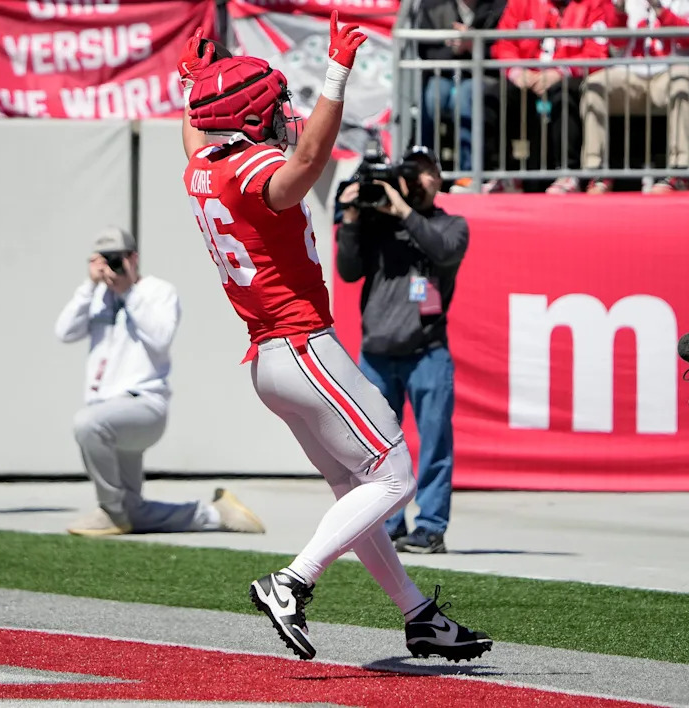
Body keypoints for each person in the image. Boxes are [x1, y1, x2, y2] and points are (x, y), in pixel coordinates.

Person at [178, 15, 493, 662]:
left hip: (268, 360)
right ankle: (291, 581)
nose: (281, 117)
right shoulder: (254, 170)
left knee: (358, 491)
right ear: (249, 118)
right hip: (301, 345)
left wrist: (193, 81)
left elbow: (199, 132)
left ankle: (417, 615)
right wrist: (336, 73)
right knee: (395, 473)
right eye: (272, 108)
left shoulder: (201, 167)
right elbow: (305, 161)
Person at [54, 226, 265, 537]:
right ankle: (213, 513)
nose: (112, 267)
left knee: (86, 424)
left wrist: (129, 292)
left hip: (143, 406)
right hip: (107, 410)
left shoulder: (157, 291)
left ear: (133, 258)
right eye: (103, 259)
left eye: (117, 259)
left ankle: (110, 511)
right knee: (134, 512)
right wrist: (89, 285)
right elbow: (64, 332)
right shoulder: (97, 294)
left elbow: (160, 338)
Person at [334, 147, 467, 554]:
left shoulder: (451, 224)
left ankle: (429, 526)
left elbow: (444, 252)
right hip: (376, 354)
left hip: (427, 351)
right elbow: (348, 271)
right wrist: (354, 217)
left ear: (439, 180)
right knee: (375, 446)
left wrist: (403, 210)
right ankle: (387, 523)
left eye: (426, 172)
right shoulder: (376, 223)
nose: (419, 178)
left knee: (434, 443)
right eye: (413, 172)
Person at [580, 0, 689, 193]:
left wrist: (659, 8)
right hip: (631, 75)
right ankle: (596, 171)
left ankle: (678, 172)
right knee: (595, 86)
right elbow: (616, 44)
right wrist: (618, 12)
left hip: (671, 71)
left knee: (683, 81)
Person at [489, 0, 611, 194]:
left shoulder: (592, 4)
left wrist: (561, 71)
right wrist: (517, 71)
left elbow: (597, 51)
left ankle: (568, 173)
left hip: (569, 76)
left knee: (563, 95)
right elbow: (503, 44)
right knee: (496, 95)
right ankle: (503, 173)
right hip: (528, 76)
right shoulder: (520, 3)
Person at [414, 0, 507, 193]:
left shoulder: (498, 5)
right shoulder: (433, 5)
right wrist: (454, 49)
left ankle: (468, 175)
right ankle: (425, 172)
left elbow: (502, 48)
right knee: (432, 97)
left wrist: (474, 45)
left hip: (483, 75)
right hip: (442, 74)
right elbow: (425, 50)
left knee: (466, 97)